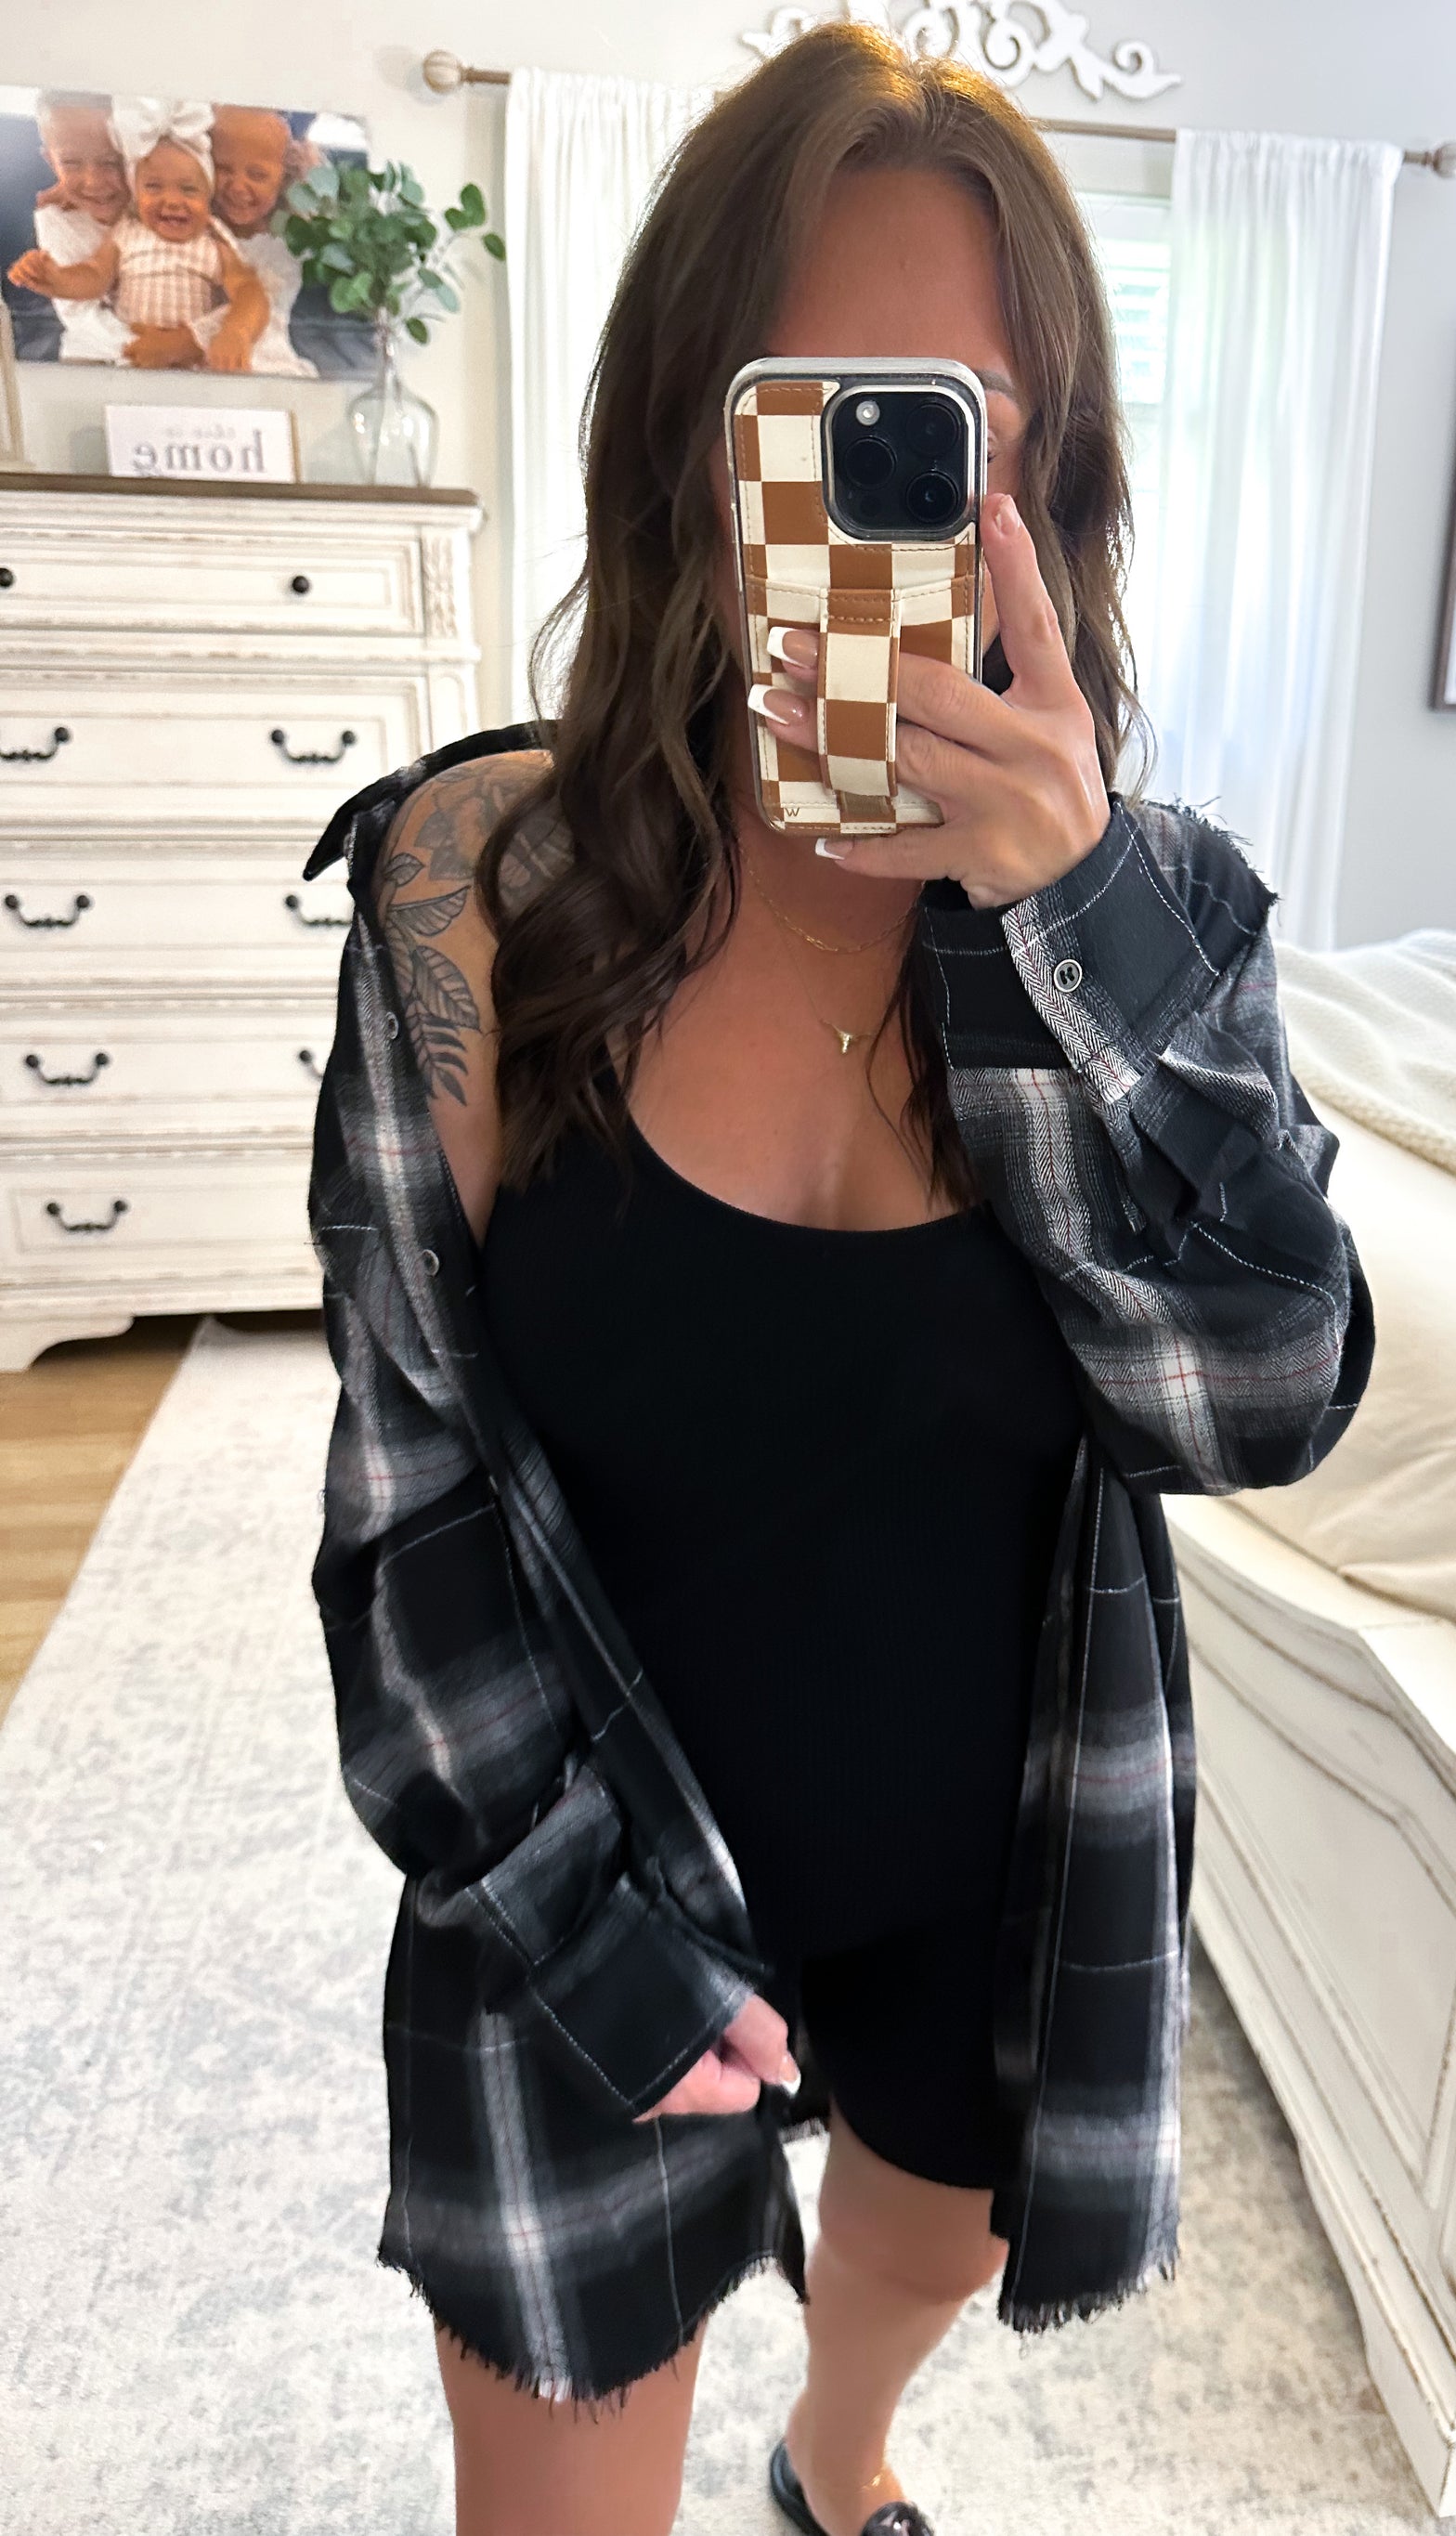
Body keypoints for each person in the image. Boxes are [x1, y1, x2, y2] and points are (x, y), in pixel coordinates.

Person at [302, 24, 1372, 2536]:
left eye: (951, 427)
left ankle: (837, 2453)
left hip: (990, 1864)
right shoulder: (477, 892)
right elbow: (400, 1509)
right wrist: (587, 1934)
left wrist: (1069, 922)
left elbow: (1256, 1399)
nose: (878, 497)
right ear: (693, 445)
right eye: (812, 414)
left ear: (1045, 480)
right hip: (579, 1874)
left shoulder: (1151, 911)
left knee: (922, 2253)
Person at [10, 100, 266, 374]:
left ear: (209, 199)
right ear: (137, 192)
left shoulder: (211, 243)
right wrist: (55, 278)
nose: (172, 201)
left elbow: (250, 290)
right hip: (128, 362)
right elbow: (94, 276)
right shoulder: (126, 232)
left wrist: (236, 330)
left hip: (194, 366)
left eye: (189, 189)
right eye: (153, 187)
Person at [8, 92, 134, 366]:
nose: (93, 182)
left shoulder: (167, 207)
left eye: (112, 162)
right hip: (96, 353)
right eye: (71, 163)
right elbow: (79, 314)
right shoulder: (56, 219)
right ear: (50, 161)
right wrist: (146, 345)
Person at [205, 104, 319, 378]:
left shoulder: (282, 247)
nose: (238, 186)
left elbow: (260, 305)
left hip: (259, 357)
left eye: (256, 174)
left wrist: (183, 341)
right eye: (223, 168)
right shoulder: (199, 228)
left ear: (286, 177)